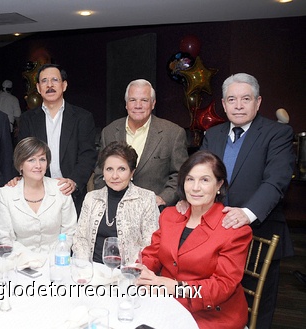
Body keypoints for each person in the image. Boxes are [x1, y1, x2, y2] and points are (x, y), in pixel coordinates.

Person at [188, 73, 295, 328]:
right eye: (231, 99)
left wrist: (247, 213)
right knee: (218, 300)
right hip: (216, 235)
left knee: (257, 307)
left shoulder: (277, 133)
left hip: (260, 231)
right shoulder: (212, 134)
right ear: (223, 105)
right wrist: (187, 200)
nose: (238, 105)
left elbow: (277, 180)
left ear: (257, 102)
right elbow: (202, 176)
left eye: (245, 99)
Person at [140, 150, 253, 329]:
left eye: (205, 180)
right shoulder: (170, 215)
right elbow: (153, 254)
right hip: (167, 304)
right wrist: (141, 270)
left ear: (219, 185)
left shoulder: (234, 229)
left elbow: (223, 286)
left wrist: (176, 288)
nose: (195, 187)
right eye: (190, 179)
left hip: (211, 315)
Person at [94, 79, 188, 209]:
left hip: (155, 210)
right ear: (126, 104)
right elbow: (100, 174)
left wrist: (164, 198)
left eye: (144, 100)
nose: (138, 105)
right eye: (132, 100)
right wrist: (109, 202)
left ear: (153, 103)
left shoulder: (173, 133)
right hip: (114, 209)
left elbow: (181, 174)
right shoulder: (109, 132)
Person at [18, 64, 97, 214]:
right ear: (38, 88)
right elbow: (23, 155)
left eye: (55, 80)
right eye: (44, 81)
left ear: (64, 85)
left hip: (70, 193)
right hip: (37, 193)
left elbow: (88, 155)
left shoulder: (82, 117)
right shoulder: (28, 119)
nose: (49, 85)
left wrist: (74, 181)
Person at [72, 141, 159, 264]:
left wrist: (132, 271)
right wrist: (86, 268)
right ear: (103, 172)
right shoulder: (91, 198)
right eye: (109, 169)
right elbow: (80, 238)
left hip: (129, 273)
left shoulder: (146, 199)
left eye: (121, 169)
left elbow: (150, 244)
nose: (114, 176)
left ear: (132, 172)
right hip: (94, 270)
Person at [0, 137, 77, 253]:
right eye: (31, 160)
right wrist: (29, 260)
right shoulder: (6, 193)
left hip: (56, 261)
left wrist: (56, 257)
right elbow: (5, 237)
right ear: (20, 165)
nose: (38, 165)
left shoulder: (61, 189)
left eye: (42, 159)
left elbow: (70, 232)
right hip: (20, 262)